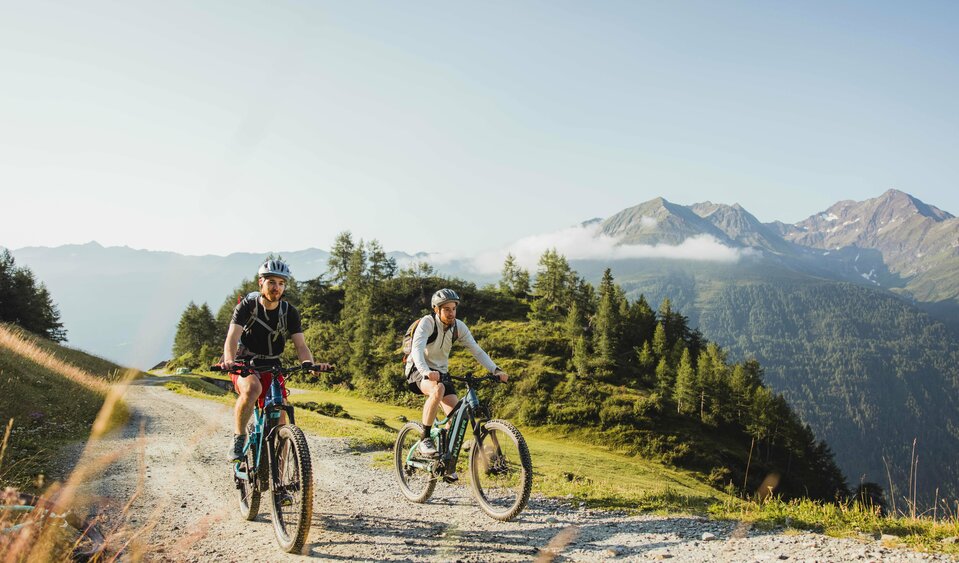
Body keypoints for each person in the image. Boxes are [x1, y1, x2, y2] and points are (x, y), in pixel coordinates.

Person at [221, 259, 331, 462]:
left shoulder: (289, 312)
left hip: (272, 364)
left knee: (280, 416)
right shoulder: (247, 307)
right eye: (271, 282)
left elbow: (300, 346)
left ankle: (279, 486)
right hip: (244, 362)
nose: (276, 288)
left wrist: (309, 364)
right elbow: (232, 338)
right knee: (252, 389)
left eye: (281, 283)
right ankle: (239, 437)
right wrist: (229, 360)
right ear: (260, 283)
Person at [405, 288, 508, 458]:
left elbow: (477, 351)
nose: (451, 313)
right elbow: (417, 350)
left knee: (456, 416)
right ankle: (425, 439)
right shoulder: (427, 323)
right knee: (437, 390)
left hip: (441, 373)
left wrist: (495, 370)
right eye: (446, 309)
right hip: (418, 369)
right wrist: (426, 371)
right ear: (436, 310)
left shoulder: (458, 327)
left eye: (453, 309)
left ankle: (445, 460)